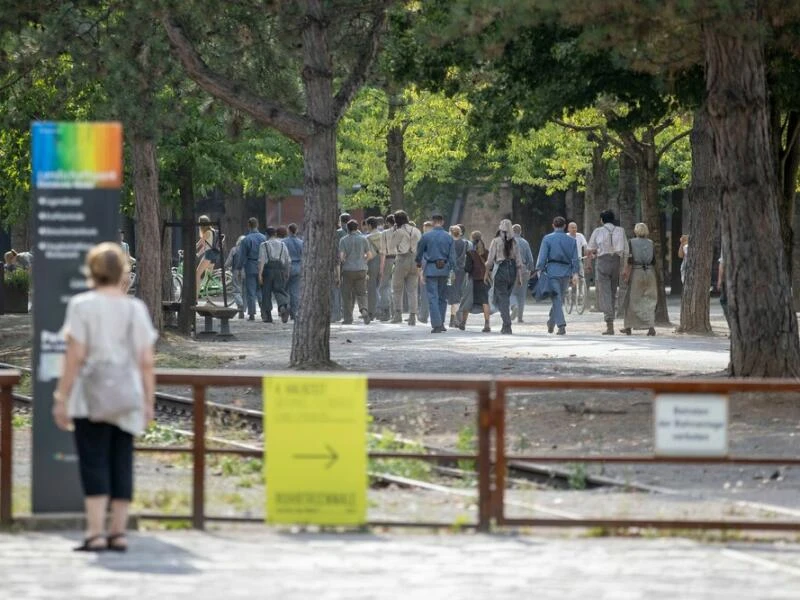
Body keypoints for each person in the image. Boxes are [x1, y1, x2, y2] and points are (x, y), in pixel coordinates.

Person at [52, 242, 157, 552]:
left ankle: (95, 533)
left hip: (90, 396)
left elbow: (75, 355)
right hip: (127, 395)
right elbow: (146, 361)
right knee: (121, 460)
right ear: (122, 272)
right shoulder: (135, 309)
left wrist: (62, 396)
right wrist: (149, 401)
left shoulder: (82, 305)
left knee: (93, 460)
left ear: (92, 271)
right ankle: (119, 532)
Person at [535, 216, 579, 335]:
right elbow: (575, 259)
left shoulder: (547, 239)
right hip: (566, 272)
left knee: (557, 298)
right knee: (559, 298)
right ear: (565, 226)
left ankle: (561, 325)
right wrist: (575, 273)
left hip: (552, 271)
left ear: (553, 225)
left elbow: (543, 256)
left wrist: (539, 269)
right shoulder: (572, 240)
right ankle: (551, 322)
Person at [586, 209, 627, 335]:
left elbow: (590, 249)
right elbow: (625, 250)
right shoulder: (621, 230)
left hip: (602, 261)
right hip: (616, 261)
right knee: (613, 290)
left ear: (602, 219)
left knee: (605, 292)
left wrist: (588, 264)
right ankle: (611, 319)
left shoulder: (598, 231)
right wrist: (624, 267)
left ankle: (609, 323)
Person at [416, 213, 456, 333]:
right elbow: (452, 256)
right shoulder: (449, 237)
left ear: (433, 222)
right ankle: (442, 322)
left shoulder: (426, 236)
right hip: (444, 268)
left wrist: (418, 263)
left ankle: (437, 324)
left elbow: (419, 252)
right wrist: (452, 269)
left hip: (431, 268)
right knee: (443, 297)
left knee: (433, 297)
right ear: (442, 222)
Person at [485, 219, 523, 334]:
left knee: (502, 298)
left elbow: (490, 260)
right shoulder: (514, 242)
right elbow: (518, 260)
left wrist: (486, 273)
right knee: (505, 297)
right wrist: (520, 277)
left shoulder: (496, 241)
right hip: (512, 271)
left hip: (500, 270)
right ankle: (505, 324)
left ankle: (507, 325)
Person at [620, 223, 657, 336]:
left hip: (637, 272)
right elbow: (654, 261)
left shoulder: (632, 242)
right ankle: (651, 327)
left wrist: (626, 272)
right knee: (649, 300)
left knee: (632, 300)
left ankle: (628, 326)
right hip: (650, 272)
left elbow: (630, 260)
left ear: (636, 231)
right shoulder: (651, 243)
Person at [387, 210, 422, 326]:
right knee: (412, 290)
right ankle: (413, 316)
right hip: (415, 259)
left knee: (397, 288)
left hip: (402, 259)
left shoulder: (399, 231)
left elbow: (391, 247)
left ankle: (398, 314)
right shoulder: (416, 230)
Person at [338, 219, 373, 324]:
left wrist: (345, 261)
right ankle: (364, 310)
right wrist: (364, 261)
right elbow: (370, 255)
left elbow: (341, 257)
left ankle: (348, 318)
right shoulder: (363, 239)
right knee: (362, 293)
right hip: (361, 269)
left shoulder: (343, 240)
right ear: (357, 228)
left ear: (347, 229)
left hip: (348, 270)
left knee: (347, 295)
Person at [457, 231, 491, 332]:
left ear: (472, 238)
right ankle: (487, 324)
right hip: (484, 280)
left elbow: (467, 268)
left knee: (468, 300)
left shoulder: (470, 253)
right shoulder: (486, 252)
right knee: (485, 302)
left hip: (473, 280)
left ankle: (463, 323)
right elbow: (490, 266)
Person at [257, 226, 291, 323]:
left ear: (266, 235)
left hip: (267, 270)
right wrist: (287, 272)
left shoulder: (264, 245)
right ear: (275, 234)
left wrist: (260, 274)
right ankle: (283, 306)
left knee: (266, 293)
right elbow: (287, 260)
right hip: (279, 269)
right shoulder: (283, 245)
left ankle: (268, 316)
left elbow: (261, 260)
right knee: (279, 290)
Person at [241, 217, 267, 321]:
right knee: (261, 291)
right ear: (258, 225)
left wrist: (239, 267)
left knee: (250, 291)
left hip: (250, 265)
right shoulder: (264, 238)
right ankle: (264, 312)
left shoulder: (246, 239)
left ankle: (251, 314)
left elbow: (242, 255)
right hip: (262, 266)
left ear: (248, 225)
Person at [510, 224, 535, 324]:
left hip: (511, 269)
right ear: (520, 231)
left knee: (511, 292)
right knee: (522, 294)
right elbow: (530, 259)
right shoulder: (525, 242)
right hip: (523, 270)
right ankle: (520, 317)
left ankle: (513, 305)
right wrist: (531, 270)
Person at [447, 225, 470, 328]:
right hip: (462, 271)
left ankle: (453, 319)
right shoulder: (465, 243)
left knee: (453, 293)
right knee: (459, 293)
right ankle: (456, 319)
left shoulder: (449, 243)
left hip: (451, 271)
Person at [195, 215, 221, 301]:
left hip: (208, 256)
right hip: (214, 256)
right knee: (207, 278)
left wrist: (189, 249)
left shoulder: (207, 233)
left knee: (197, 274)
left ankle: (195, 297)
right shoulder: (213, 231)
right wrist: (198, 254)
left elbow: (199, 244)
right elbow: (207, 246)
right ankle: (207, 298)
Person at [331, 213, 350, 322]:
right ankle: (347, 312)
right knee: (348, 290)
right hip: (351, 264)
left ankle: (336, 313)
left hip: (339, 262)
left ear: (341, 221)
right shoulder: (356, 232)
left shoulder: (338, 233)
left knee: (336, 288)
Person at [283, 223, 304, 321]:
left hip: (286, 267)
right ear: (296, 231)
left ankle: (285, 307)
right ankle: (294, 313)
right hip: (298, 267)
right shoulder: (301, 242)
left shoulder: (284, 242)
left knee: (285, 290)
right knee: (295, 292)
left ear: (289, 230)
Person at [377, 213, 396, 321]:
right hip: (400, 259)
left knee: (384, 286)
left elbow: (383, 252)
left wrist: (381, 267)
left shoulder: (385, 233)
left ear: (388, 223)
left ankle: (386, 312)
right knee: (396, 287)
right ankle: (396, 311)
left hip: (388, 259)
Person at [364, 217, 382, 321]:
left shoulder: (367, 238)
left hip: (371, 262)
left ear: (370, 225)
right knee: (382, 287)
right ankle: (383, 310)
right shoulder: (382, 235)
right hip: (382, 261)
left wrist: (364, 262)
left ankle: (371, 312)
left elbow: (368, 254)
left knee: (371, 288)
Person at [224, 235, 246, 318]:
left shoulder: (234, 249)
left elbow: (229, 261)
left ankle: (240, 305)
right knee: (244, 291)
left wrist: (225, 266)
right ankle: (243, 309)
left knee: (236, 291)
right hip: (245, 272)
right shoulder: (247, 250)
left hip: (236, 271)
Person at [417, 221, 433, 324]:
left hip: (425, 266)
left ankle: (423, 316)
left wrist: (419, 271)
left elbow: (419, 256)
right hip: (438, 268)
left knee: (424, 293)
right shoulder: (438, 238)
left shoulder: (423, 239)